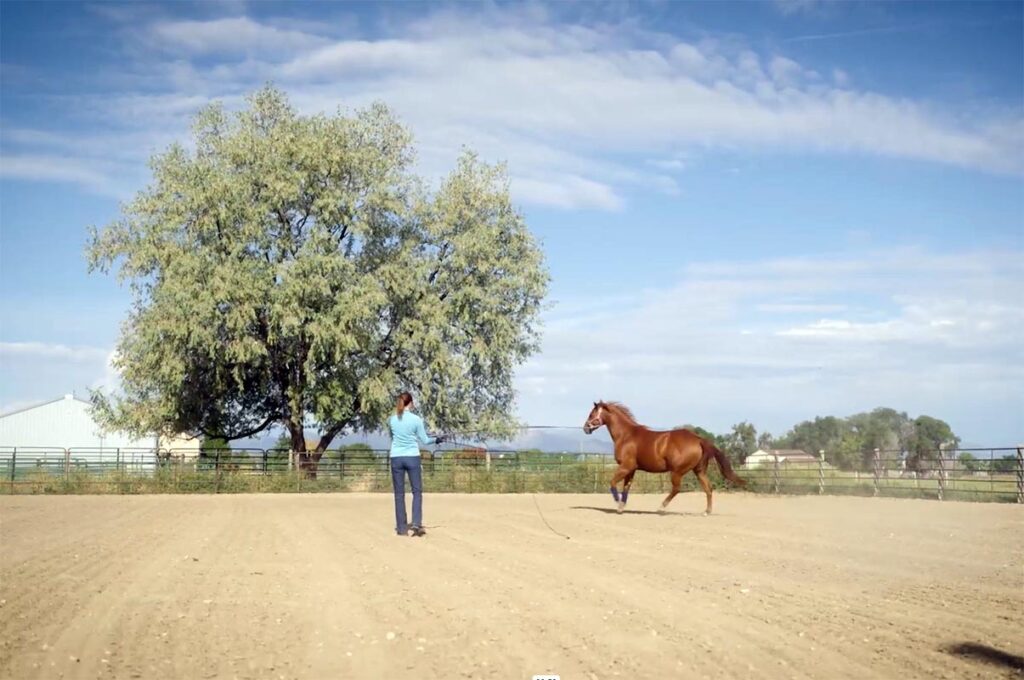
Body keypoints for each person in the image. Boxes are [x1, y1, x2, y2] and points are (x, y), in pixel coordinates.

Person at [387, 391, 444, 537]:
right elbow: (424, 440)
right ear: (411, 403)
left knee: (399, 494)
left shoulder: (392, 420)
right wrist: (437, 439)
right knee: (416, 492)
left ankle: (401, 529)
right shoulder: (416, 419)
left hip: (396, 457)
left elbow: (393, 437)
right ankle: (416, 523)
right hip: (412, 457)